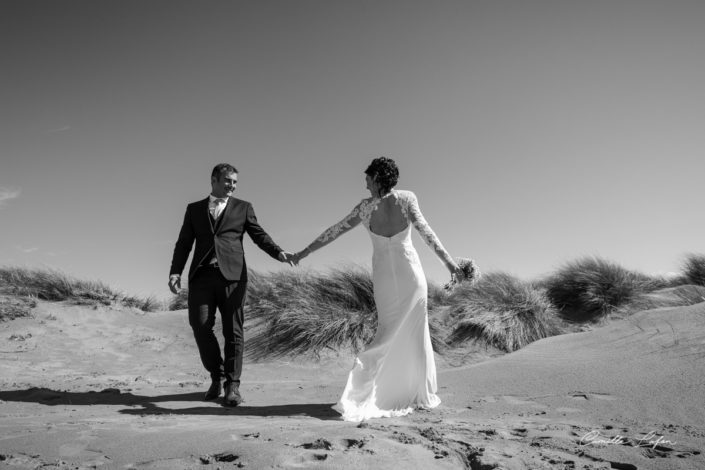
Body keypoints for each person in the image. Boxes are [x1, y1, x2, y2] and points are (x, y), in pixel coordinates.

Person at [293, 157, 463, 421]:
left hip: (385, 277)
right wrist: (451, 265)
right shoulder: (407, 199)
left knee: (390, 329)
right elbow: (427, 234)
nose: (365, 184)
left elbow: (333, 232)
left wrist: (303, 252)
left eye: (368, 178)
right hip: (410, 275)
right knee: (414, 332)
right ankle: (412, 391)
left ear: (378, 178)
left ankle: (381, 387)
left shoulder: (365, 208)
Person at [169, 163, 293, 407]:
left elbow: (259, 234)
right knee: (200, 325)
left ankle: (232, 386)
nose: (232, 186)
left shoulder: (243, 208)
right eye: (228, 181)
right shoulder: (193, 209)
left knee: (233, 331)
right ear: (214, 179)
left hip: (234, 277)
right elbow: (184, 242)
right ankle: (217, 376)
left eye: (235, 182)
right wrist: (175, 272)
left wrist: (278, 252)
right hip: (201, 276)